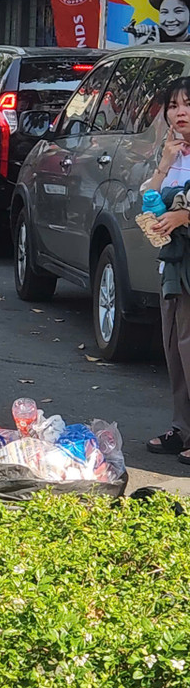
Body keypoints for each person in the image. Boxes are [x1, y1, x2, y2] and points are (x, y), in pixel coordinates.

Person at [145, 77, 190, 464]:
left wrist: (183, 215)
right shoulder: (172, 151)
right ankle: (182, 428)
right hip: (172, 267)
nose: (181, 112)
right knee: (175, 346)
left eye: (188, 104)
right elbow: (146, 201)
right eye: (174, 105)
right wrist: (163, 165)